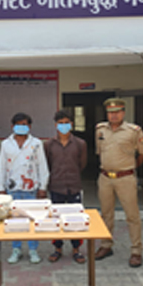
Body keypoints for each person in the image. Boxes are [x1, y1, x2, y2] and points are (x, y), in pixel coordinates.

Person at [95, 98, 143, 268]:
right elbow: (100, 152)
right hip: (105, 178)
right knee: (106, 214)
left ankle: (136, 251)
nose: (114, 115)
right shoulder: (100, 129)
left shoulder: (134, 131)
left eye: (117, 112)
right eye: (110, 112)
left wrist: (130, 168)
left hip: (125, 178)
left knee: (132, 215)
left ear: (123, 112)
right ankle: (106, 245)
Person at [0, 112, 49, 264]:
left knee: (32, 219)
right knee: (14, 220)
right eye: (18, 125)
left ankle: (33, 250)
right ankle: (16, 249)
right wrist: (1, 187)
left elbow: (42, 165)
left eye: (24, 124)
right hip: (12, 188)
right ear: (12, 126)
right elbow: (2, 166)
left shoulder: (36, 143)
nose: (21, 127)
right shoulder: (6, 144)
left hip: (31, 188)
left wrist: (43, 187)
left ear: (30, 126)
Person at [44, 110, 88, 264]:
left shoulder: (80, 144)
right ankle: (57, 248)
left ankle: (76, 249)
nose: (63, 126)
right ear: (55, 125)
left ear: (72, 124)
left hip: (74, 186)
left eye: (66, 123)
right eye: (60, 123)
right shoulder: (49, 144)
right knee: (56, 219)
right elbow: (47, 164)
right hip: (56, 186)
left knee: (76, 219)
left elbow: (82, 164)